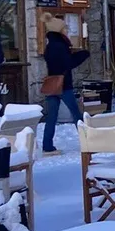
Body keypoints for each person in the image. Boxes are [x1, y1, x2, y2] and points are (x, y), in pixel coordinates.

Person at [40, 15, 90, 154]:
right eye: (64, 28)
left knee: (51, 116)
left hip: (52, 84)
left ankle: (47, 146)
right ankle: (89, 141)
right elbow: (68, 63)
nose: (66, 30)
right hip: (64, 84)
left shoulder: (49, 45)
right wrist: (83, 54)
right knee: (76, 114)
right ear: (59, 30)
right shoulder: (60, 45)